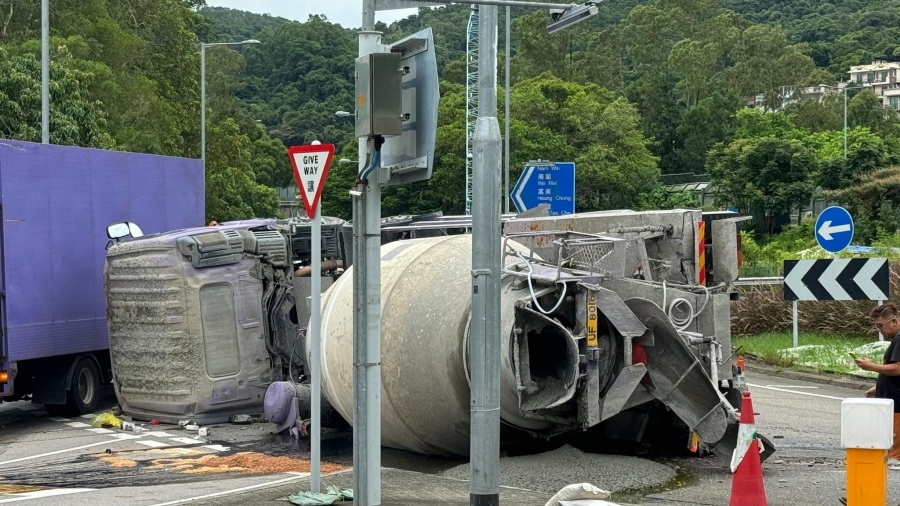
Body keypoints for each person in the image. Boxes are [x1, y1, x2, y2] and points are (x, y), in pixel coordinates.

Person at [854, 303, 900, 461]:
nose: (879, 330)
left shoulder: (899, 339)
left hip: (897, 402)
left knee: (894, 453)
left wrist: (870, 366)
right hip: (892, 397)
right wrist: (878, 386)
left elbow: (897, 368)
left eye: (881, 326)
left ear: (894, 322)